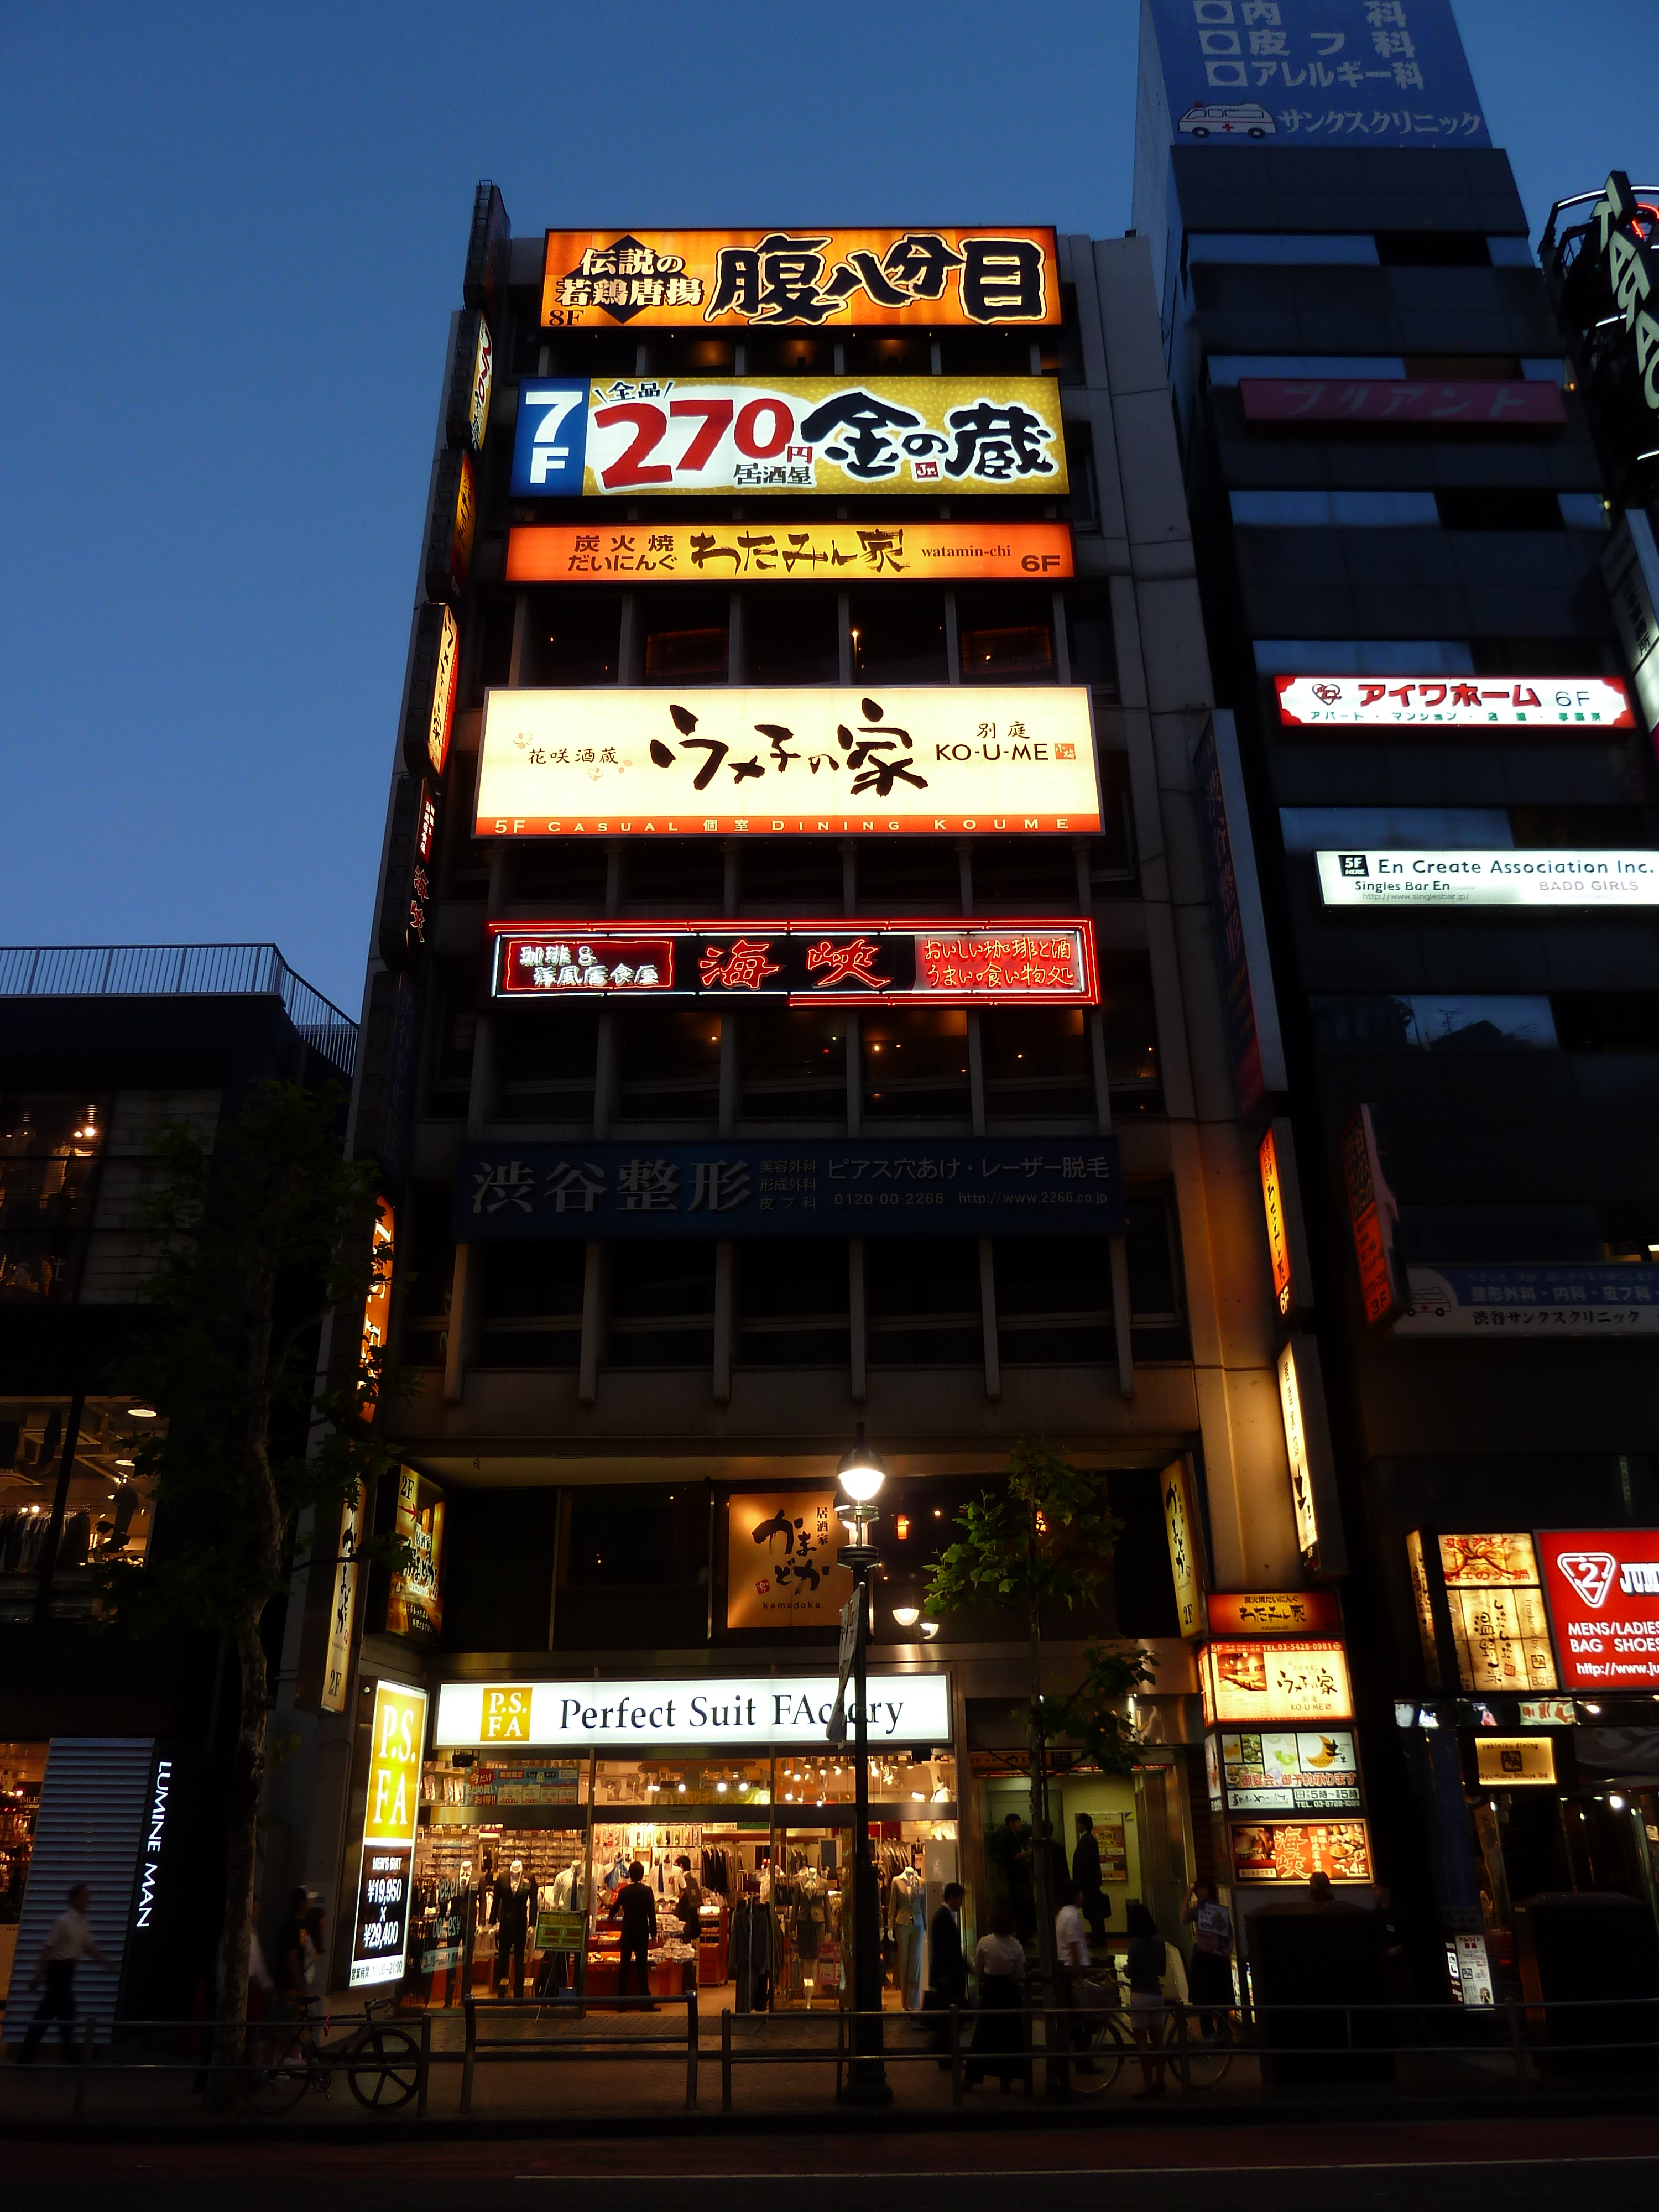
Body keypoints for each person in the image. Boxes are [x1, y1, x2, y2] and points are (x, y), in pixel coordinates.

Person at [18, 1882, 109, 2063]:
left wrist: (104, 1962)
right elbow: (48, 1948)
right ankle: (71, 2055)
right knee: (66, 2013)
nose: (88, 1901)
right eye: (84, 1897)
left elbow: (88, 1946)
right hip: (59, 1971)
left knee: (46, 2013)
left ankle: (27, 2055)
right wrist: (38, 1974)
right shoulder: (64, 1921)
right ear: (74, 1899)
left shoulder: (81, 1922)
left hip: (66, 1970)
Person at [966, 1902, 1025, 2091]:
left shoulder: (985, 1942)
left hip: (991, 1991)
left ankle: (971, 2078)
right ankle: (1006, 2078)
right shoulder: (1016, 1946)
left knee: (983, 2036)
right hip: (1010, 1992)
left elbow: (977, 1968)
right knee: (1009, 2037)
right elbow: (1020, 1973)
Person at [1123, 1900, 1168, 2098]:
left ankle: (1148, 2083)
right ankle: (1160, 2080)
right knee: (1158, 2039)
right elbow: (1162, 1971)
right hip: (1157, 1995)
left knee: (1142, 2042)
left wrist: (1126, 1969)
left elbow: (1131, 1972)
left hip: (1140, 1995)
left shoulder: (1134, 1944)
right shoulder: (1159, 1943)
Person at [1054, 1879, 1099, 2071]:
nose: (1083, 1897)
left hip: (1068, 1969)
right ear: (1074, 1895)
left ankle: (1079, 2059)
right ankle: (1082, 2061)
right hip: (1073, 1972)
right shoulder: (1072, 1916)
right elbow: (1074, 1946)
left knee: (1075, 2019)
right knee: (1081, 2020)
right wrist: (1080, 1975)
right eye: (1080, 1893)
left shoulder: (1063, 1914)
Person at [1182, 1879, 1234, 2038]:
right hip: (1204, 1957)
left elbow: (1229, 1932)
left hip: (1217, 1957)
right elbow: (1183, 1919)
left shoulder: (1219, 1910)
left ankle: (1222, 2031)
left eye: (1204, 1888)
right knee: (1205, 1997)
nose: (1202, 1892)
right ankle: (1209, 2033)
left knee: (1218, 1996)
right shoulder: (1198, 1910)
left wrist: (1229, 1950)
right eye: (1199, 1889)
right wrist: (1188, 1894)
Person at [925, 1880, 967, 2060]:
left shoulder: (944, 1916)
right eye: (960, 1899)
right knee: (950, 2018)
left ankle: (945, 2053)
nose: (962, 1903)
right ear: (952, 1898)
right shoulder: (944, 1917)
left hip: (949, 1975)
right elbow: (946, 1950)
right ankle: (944, 2052)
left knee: (949, 2020)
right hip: (948, 1976)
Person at [610, 1860, 658, 2004]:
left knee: (624, 1966)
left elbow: (615, 1908)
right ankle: (645, 2002)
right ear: (642, 1875)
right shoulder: (647, 1891)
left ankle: (621, 2002)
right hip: (641, 1932)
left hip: (627, 1932)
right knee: (641, 1967)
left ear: (630, 1874)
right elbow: (651, 1913)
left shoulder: (624, 1891)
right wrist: (654, 1933)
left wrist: (611, 1916)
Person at [273, 1886, 311, 2022]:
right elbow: (291, 1957)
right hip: (289, 1988)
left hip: (293, 1987)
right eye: (307, 1900)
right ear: (301, 1903)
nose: (309, 1904)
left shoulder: (299, 1925)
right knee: (282, 2032)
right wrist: (300, 1985)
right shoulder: (292, 1926)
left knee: (294, 2031)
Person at [1073, 1814, 1110, 1945]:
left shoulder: (1086, 1841)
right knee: (1095, 1913)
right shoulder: (1090, 1840)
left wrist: (1078, 1883)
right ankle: (1098, 1937)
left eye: (1078, 1824)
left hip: (1088, 1883)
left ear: (1083, 1825)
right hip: (1092, 1882)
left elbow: (1082, 1864)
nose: (1077, 1826)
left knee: (1093, 1912)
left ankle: (1098, 1939)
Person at [674, 1856, 704, 1941]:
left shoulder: (682, 1881)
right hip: (691, 1925)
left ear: (681, 1866)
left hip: (682, 1925)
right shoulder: (693, 1880)